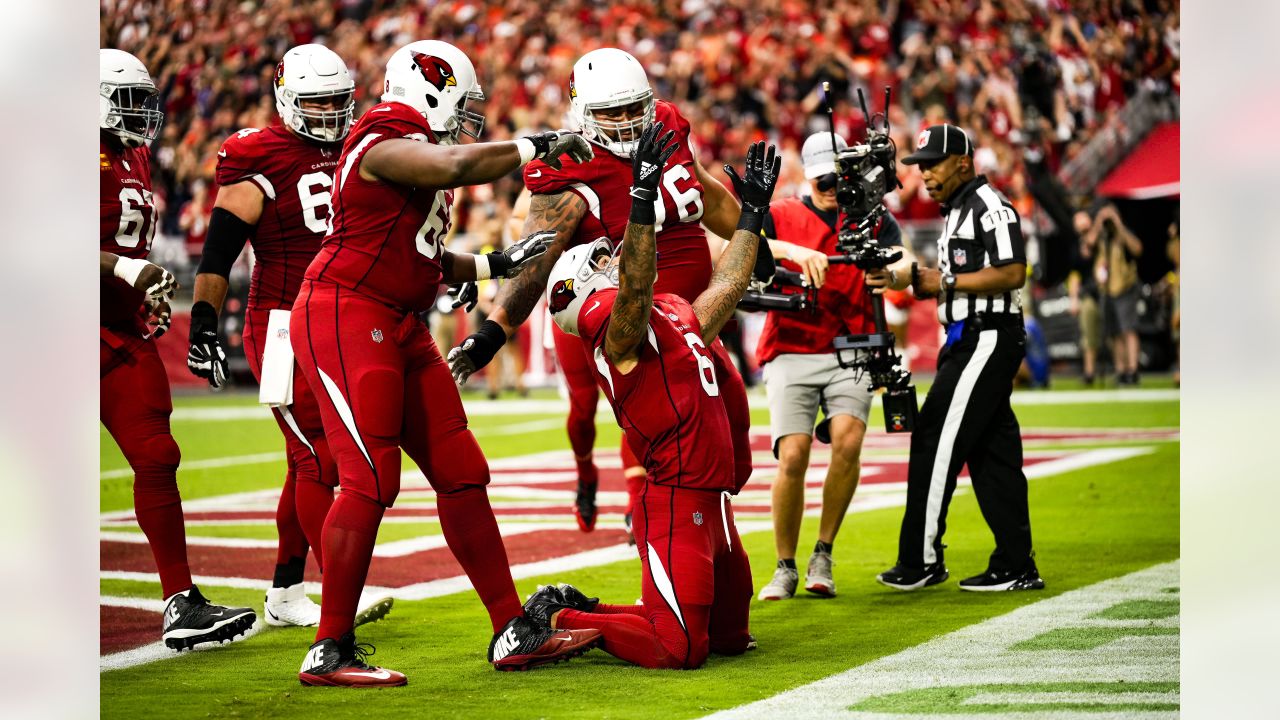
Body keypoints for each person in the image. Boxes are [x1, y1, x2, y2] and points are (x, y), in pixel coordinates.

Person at [289, 39, 602, 687]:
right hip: (347, 313)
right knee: (371, 479)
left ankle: (511, 628)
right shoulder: (379, 136)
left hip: (397, 322)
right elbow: (454, 164)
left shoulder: (414, 153)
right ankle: (329, 648)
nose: (468, 118)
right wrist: (532, 145)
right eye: (463, 104)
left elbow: (425, 254)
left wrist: (496, 265)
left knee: (463, 470)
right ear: (431, 90)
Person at [447, 47, 765, 536]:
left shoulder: (666, 123)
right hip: (621, 316)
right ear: (582, 112)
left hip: (697, 316)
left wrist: (762, 246)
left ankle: (691, 531)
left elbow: (703, 192)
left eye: (632, 108)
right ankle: (617, 496)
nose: (624, 121)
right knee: (620, 416)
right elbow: (539, 255)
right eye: (609, 112)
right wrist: (494, 330)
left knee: (731, 433)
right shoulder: (569, 162)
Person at [522, 131, 780, 669]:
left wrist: (752, 215)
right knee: (678, 648)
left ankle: (582, 606)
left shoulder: (667, 314)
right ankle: (555, 621)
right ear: (584, 292)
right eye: (599, 261)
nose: (608, 260)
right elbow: (635, 288)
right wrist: (641, 201)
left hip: (714, 504)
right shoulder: (616, 334)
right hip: (675, 499)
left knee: (730, 638)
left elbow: (725, 289)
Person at [187, 44, 391, 628]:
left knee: (308, 460)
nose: (328, 112)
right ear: (286, 100)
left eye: (336, 99)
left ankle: (284, 591)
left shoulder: (357, 143)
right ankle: (335, 594)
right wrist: (203, 321)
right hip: (280, 324)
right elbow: (219, 250)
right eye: (315, 101)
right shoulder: (259, 153)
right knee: (315, 457)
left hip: (341, 317)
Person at [99, 48, 257, 650]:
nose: (140, 114)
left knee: (157, 454)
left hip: (116, 330)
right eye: (127, 101)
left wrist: (142, 290)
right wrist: (126, 272)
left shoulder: (135, 153)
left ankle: (179, 601)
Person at [869, 124, 1043, 592]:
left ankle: (920, 559)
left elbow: (1012, 271)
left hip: (986, 338)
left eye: (932, 164)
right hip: (968, 337)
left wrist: (941, 283)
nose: (924, 174)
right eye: (920, 165)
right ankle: (1015, 563)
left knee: (932, 437)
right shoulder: (957, 210)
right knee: (993, 454)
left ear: (963, 162)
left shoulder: (989, 207)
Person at [754, 131, 913, 601]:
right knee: (794, 453)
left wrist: (894, 275)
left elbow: (903, 260)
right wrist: (792, 251)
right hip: (792, 344)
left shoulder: (872, 214)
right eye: (823, 179)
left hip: (852, 344)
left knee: (848, 440)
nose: (832, 188)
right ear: (807, 175)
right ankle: (784, 564)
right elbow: (738, 249)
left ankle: (823, 551)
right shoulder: (781, 213)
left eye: (838, 178)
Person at [1082, 203, 1144, 385]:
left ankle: (1132, 369)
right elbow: (1088, 245)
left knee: (1128, 330)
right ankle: (1120, 370)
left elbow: (1137, 249)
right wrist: (1099, 222)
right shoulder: (1101, 237)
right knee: (1114, 332)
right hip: (1107, 290)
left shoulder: (1123, 234)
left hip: (1125, 287)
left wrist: (1118, 224)